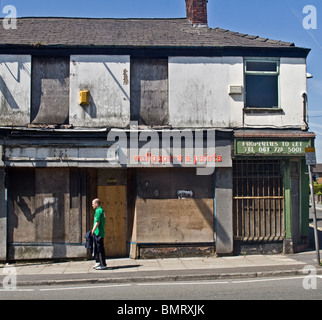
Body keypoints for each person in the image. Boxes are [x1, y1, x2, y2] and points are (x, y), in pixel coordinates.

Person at [91, 198, 107, 270]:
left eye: (93, 204)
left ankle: (102, 264)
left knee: (100, 249)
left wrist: (92, 230)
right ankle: (98, 262)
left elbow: (97, 222)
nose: (92, 205)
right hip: (99, 232)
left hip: (98, 232)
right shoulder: (101, 210)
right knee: (97, 248)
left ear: (97, 204)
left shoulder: (98, 211)